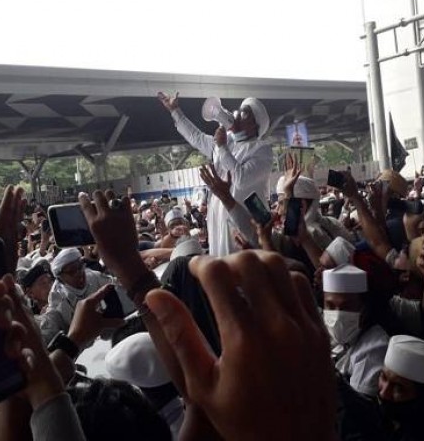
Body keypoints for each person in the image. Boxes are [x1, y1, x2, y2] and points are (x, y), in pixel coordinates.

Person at [158, 91, 273, 257]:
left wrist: (221, 147)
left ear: (256, 124)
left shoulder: (261, 149)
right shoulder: (228, 141)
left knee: (242, 265)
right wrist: (175, 111)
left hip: (242, 223)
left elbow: (240, 179)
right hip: (218, 222)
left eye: (244, 112)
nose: (237, 115)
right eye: (239, 110)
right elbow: (196, 137)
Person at [39, 248, 134, 343]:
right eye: (71, 272)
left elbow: (118, 286)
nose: (79, 273)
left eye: (80, 267)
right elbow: (50, 329)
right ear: (60, 279)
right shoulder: (57, 299)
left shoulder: (93, 276)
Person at [323, 264, 389, 397]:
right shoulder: (324, 331)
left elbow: (356, 407)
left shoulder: (375, 347)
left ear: (364, 310)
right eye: (330, 306)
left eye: (346, 307)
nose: (336, 316)